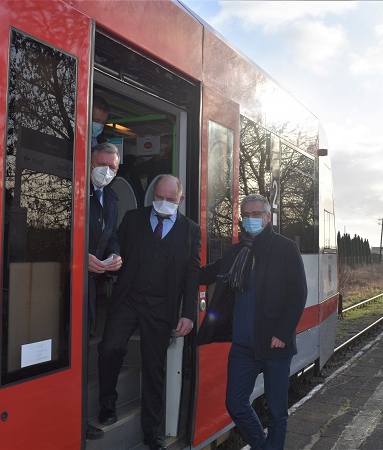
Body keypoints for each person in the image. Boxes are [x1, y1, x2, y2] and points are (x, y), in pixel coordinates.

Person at [97, 174, 201, 450]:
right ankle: (107, 402)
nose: (163, 203)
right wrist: (113, 254)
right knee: (109, 348)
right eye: (158, 197)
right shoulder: (133, 218)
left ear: (180, 199)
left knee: (155, 369)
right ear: (152, 195)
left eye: (169, 199)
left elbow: (192, 275)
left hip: (161, 306)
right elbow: (115, 242)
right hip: (128, 299)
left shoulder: (191, 231)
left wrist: (189, 313)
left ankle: (152, 431)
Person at [196, 194, 308, 450]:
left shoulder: (285, 247)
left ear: (268, 217)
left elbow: (298, 293)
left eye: (256, 214)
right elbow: (210, 272)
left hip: (275, 343)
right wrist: (178, 270)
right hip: (243, 344)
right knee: (235, 403)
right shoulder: (237, 250)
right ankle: (262, 445)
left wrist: (282, 332)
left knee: (278, 411)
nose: (250, 219)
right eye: (245, 214)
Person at [86, 141, 123, 440]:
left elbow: (111, 237)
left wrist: (115, 255)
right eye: (101, 165)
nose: (106, 171)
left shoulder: (111, 199)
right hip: (60, 284)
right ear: (89, 162)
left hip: (90, 287)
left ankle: (75, 413)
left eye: (112, 167)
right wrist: (79, 256)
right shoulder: (72, 190)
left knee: (83, 341)